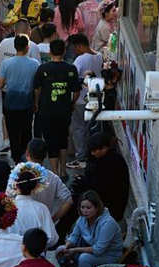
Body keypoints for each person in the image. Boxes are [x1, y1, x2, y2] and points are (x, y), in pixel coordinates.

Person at [55, 190, 123, 267]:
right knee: (59, 250)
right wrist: (67, 247)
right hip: (92, 250)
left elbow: (98, 250)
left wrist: (75, 250)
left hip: (109, 255)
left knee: (84, 258)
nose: (85, 211)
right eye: (82, 207)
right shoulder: (82, 219)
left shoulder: (107, 223)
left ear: (97, 208)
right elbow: (74, 236)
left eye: (88, 208)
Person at [33, 39, 81, 180]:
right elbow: (76, 91)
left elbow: (37, 88)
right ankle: (63, 171)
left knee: (51, 141)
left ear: (50, 52)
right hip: (64, 111)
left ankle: (54, 172)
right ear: (64, 51)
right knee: (63, 139)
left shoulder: (43, 69)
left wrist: (36, 103)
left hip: (46, 111)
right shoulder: (71, 69)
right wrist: (71, 103)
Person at [0, 34, 40, 165]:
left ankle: (17, 160)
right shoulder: (34, 64)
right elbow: (37, 87)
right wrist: (36, 102)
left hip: (10, 103)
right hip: (27, 103)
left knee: (13, 132)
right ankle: (26, 156)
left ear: (15, 47)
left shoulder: (6, 63)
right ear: (28, 47)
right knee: (27, 131)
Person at [73, 131, 130, 222]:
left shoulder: (113, 163)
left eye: (94, 151)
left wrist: (84, 183)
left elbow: (102, 187)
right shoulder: (102, 159)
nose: (92, 153)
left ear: (104, 149)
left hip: (111, 207)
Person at [68, 33, 105, 169]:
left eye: (75, 48)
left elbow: (73, 78)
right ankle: (90, 155)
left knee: (79, 129)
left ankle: (81, 157)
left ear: (78, 46)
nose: (75, 50)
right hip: (95, 99)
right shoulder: (99, 56)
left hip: (80, 100)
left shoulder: (80, 60)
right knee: (90, 129)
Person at [24, 139, 74, 228]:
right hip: (44, 226)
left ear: (27, 153)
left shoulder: (17, 176)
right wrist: (53, 219)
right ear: (46, 155)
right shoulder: (52, 178)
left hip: (22, 225)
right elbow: (68, 200)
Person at [6, 162, 58, 247]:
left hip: (13, 255)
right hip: (36, 255)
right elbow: (52, 238)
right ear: (35, 186)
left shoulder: (7, 208)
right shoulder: (42, 208)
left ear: (15, 185)